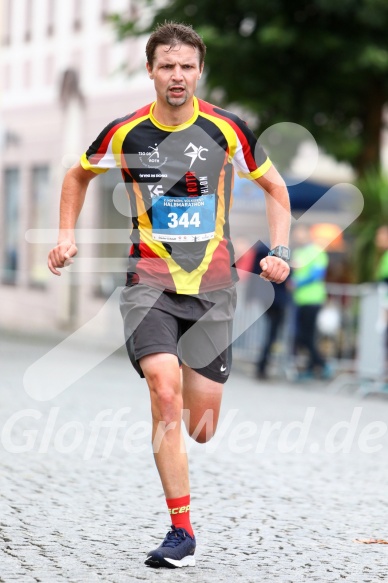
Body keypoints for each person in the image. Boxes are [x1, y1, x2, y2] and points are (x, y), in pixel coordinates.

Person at [48, 22, 291, 569]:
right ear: (151, 71)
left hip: (213, 290)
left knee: (201, 428)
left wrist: (280, 250)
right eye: (167, 66)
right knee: (163, 390)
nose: (176, 76)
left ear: (200, 71)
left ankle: (187, 386)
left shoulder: (228, 129)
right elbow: (76, 176)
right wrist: (66, 236)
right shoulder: (123, 132)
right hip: (148, 283)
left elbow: (275, 188)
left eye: (186, 66)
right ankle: (181, 529)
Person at [290, 224, 331, 380]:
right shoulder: (298, 252)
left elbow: (316, 274)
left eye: (300, 232)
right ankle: (313, 366)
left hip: (313, 299)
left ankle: (321, 364)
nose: (298, 236)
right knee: (302, 336)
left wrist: (296, 283)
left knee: (306, 336)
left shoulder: (317, 251)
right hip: (300, 300)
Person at [245, 241, 289, 379]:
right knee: (271, 334)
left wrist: (250, 295)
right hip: (277, 298)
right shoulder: (275, 251)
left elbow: (253, 272)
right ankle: (262, 365)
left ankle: (262, 364)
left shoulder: (260, 249)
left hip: (268, 297)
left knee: (268, 333)